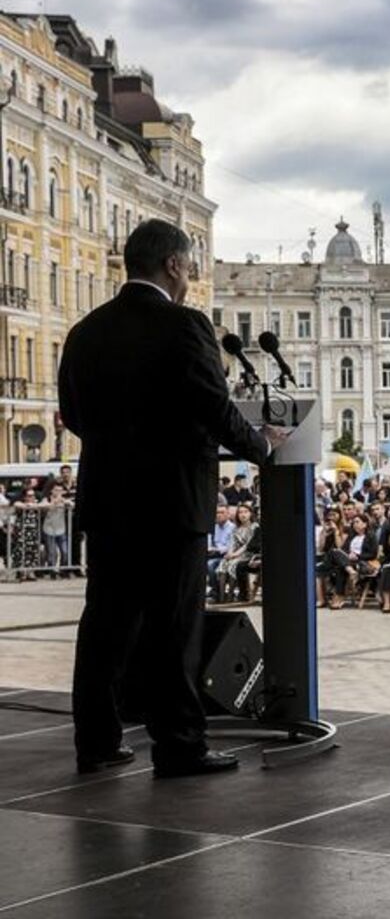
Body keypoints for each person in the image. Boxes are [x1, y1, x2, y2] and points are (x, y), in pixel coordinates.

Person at [58, 218, 284, 777]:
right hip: (171, 504)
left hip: (109, 502)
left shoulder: (85, 331)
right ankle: (179, 745)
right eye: (189, 265)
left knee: (105, 627)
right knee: (172, 629)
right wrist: (263, 447)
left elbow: (77, 418)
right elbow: (215, 406)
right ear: (175, 265)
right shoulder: (184, 325)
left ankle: (97, 742)